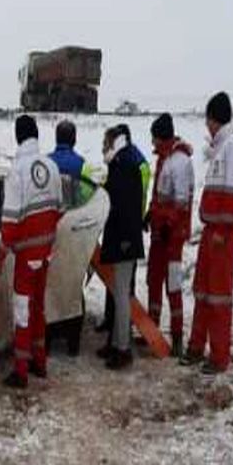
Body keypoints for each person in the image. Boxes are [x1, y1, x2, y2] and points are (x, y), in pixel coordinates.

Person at [182, 92, 233, 374]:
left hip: (223, 233)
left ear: (213, 119)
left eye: (207, 121)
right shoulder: (220, 148)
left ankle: (219, 357)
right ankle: (197, 347)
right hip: (212, 231)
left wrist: (222, 229)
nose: (207, 127)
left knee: (218, 296)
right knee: (203, 291)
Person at [0, 115, 62, 388]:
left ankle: (21, 372)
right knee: (38, 309)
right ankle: (40, 362)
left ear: (17, 137)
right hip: (46, 252)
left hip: (26, 257)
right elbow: (59, 208)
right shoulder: (51, 165)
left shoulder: (18, 171)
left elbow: (10, 220)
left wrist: (4, 247)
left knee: (22, 311)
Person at [146, 113, 195, 356]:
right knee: (153, 280)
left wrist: (168, 224)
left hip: (173, 236)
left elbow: (181, 202)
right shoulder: (164, 160)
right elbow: (159, 195)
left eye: (154, 139)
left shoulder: (180, 162)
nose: (152, 144)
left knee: (172, 284)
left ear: (162, 137)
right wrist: (150, 214)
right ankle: (151, 331)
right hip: (159, 232)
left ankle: (177, 337)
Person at [97, 124, 145, 370]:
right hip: (122, 238)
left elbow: (125, 206)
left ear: (115, 142)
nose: (103, 147)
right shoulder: (122, 162)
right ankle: (115, 342)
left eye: (106, 142)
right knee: (118, 293)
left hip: (124, 240)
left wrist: (126, 240)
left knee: (122, 295)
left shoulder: (123, 165)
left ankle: (123, 349)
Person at [48, 119, 92, 208]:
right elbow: (87, 195)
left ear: (56, 139)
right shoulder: (82, 165)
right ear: (74, 140)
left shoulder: (44, 163)